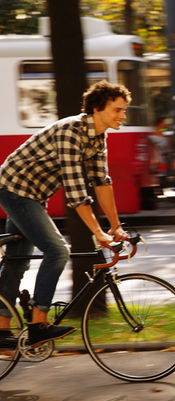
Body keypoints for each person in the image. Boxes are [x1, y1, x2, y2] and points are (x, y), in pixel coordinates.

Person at [0, 81, 130, 347]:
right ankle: (38, 325)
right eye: (117, 109)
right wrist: (97, 232)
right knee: (58, 251)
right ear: (97, 109)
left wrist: (116, 227)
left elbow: (101, 182)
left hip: (34, 195)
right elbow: (76, 193)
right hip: (15, 189)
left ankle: (0, 331)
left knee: (17, 261)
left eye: (124, 110)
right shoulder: (71, 131)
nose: (122, 116)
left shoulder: (97, 137)